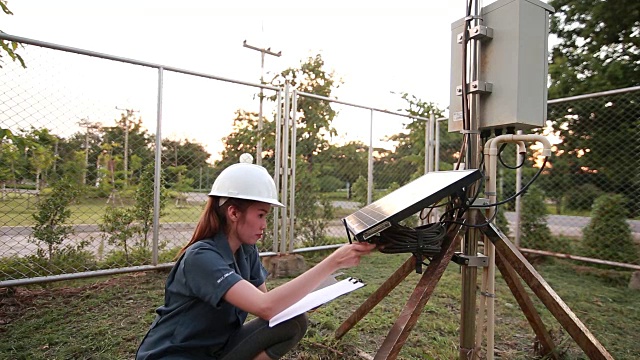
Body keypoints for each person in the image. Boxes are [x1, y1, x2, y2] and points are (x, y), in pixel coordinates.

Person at [136, 158, 376, 360]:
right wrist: (332, 261)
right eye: (260, 215)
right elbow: (267, 308)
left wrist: (308, 299)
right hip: (175, 355)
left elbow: (265, 303)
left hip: (216, 351)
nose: (264, 225)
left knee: (294, 323)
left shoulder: (246, 250)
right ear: (233, 212)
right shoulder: (201, 257)